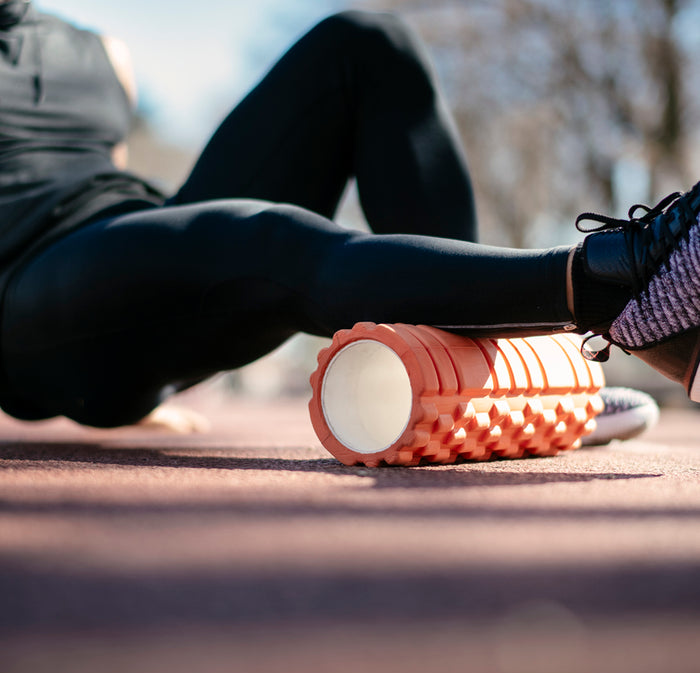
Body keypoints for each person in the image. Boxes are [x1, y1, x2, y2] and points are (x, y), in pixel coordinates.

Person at [0, 1, 694, 436]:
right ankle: (619, 281)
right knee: (265, 236)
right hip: (28, 295)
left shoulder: (99, 54)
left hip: (124, 252)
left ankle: (475, 377)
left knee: (365, 41)